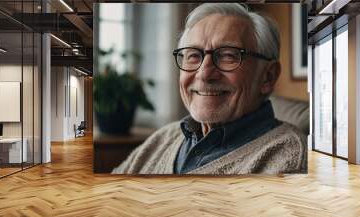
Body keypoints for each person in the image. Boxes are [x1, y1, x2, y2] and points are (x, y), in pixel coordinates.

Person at [112, 3, 307, 175]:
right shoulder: (165, 137)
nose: (204, 73)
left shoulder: (287, 160)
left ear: (268, 76)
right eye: (193, 56)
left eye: (228, 55)